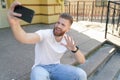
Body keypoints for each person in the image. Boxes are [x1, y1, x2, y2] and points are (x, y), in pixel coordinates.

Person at [7, 1, 87, 80]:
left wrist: (74, 49)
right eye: (58, 22)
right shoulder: (44, 34)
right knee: (38, 77)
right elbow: (24, 38)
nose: (58, 26)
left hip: (56, 67)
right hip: (40, 68)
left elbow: (82, 61)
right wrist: (14, 24)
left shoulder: (68, 41)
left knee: (81, 74)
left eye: (63, 25)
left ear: (68, 29)